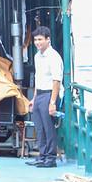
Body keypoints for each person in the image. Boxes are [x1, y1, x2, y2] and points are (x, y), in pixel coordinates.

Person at [26, 26, 64, 168]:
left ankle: (50, 158)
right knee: (40, 127)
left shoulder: (54, 57)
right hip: (40, 93)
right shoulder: (37, 56)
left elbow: (56, 80)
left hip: (49, 94)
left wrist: (53, 102)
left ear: (48, 40)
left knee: (49, 127)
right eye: (35, 40)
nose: (37, 42)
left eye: (40, 39)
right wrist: (34, 98)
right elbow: (38, 77)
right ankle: (42, 156)